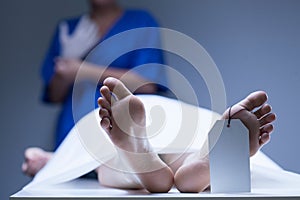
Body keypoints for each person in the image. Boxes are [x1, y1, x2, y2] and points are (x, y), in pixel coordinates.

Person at [23, 77, 276, 193]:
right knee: (183, 145)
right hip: (187, 119)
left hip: (113, 130)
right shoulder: (176, 109)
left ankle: (135, 154)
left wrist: (46, 159)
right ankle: (201, 159)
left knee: (100, 158)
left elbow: (63, 163)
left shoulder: (103, 116)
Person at [41, 0, 166, 149]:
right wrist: (64, 67)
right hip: (73, 130)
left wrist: (81, 70)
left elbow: (147, 84)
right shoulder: (68, 30)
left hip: (123, 132)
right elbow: (55, 96)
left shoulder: (141, 21)